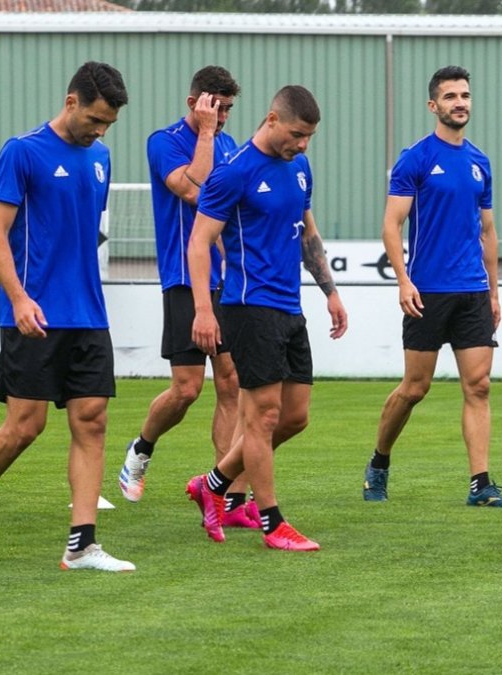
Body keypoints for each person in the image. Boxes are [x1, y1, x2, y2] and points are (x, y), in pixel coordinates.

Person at [0, 62, 134, 571]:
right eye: (95, 119)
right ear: (71, 102)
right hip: (32, 314)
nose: (100, 130)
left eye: (108, 124)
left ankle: (82, 543)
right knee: (24, 427)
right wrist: (20, 298)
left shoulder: (101, 158)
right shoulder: (22, 151)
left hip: (89, 314)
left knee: (92, 422)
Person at [184, 85, 347, 551]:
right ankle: (272, 522)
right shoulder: (232, 174)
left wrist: (330, 292)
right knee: (262, 416)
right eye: (298, 134)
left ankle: (212, 484)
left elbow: (307, 235)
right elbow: (199, 243)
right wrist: (202, 310)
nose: (304, 145)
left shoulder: (299, 168)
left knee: (295, 417)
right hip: (247, 306)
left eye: (310, 137)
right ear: (272, 119)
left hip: (289, 307)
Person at [362, 65, 502, 509]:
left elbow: (488, 231)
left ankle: (481, 485)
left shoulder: (479, 162)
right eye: (450, 96)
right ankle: (379, 462)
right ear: (434, 105)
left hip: (472, 291)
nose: (460, 103)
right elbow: (392, 225)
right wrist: (403, 280)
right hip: (428, 291)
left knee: (480, 385)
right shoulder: (415, 158)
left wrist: (493, 292)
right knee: (415, 388)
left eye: (465, 95)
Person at [119, 66, 260, 528]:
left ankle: (229, 498)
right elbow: (192, 188)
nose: (221, 118)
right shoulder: (165, 141)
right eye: (215, 107)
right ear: (195, 103)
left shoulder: (229, 145)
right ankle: (142, 447)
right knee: (186, 389)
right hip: (184, 278)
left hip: (227, 283)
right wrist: (203, 133)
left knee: (232, 384)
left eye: (228, 110)